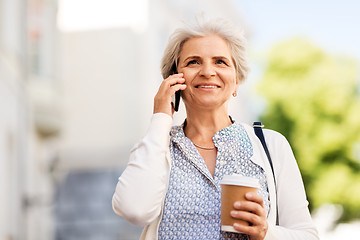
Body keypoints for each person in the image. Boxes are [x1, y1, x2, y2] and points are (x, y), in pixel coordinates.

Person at [112, 18, 319, 240]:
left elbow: (307, 235)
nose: (207, 71)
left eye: (220, 61)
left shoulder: (271, 145)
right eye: (193, 62)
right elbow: (134, 210)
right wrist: (160, 118)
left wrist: (266, 233)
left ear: (237, 80)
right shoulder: (157, 146)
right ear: (174, 78)